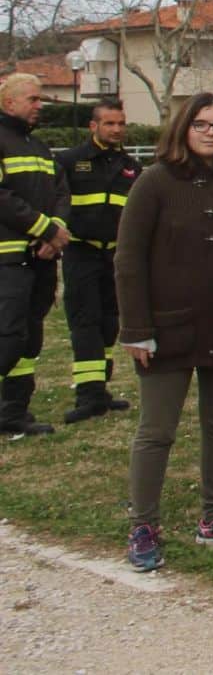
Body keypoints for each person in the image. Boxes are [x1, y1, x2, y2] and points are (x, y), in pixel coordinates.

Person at [116, 95, 213, 570]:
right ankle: (143, 523)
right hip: (168, 328)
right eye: (201, 124)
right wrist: (137, 329)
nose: (210, 132)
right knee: (157, 430)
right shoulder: (154, 182)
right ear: (184, 129)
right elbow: (128, 259)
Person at [56, 98, 138, 423]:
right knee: (85, 322)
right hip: (81, 251)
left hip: (114, 255)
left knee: (108, 323)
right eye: (109, 123)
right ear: (94, 126)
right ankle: (88, 396)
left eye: (120, 123)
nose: (116, 129)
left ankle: (99, 389)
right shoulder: (70, 161)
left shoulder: (131, 166)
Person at [0, 73, 70, 436]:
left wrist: (55, 233)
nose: (39, 106)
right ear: (9, 103)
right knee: (7, 335)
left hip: (42, 258)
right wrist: (45, 229)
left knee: (30, 338)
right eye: (33, 99)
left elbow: (61, 192)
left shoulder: (40, 148)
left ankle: (14, 410)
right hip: (8, 260)